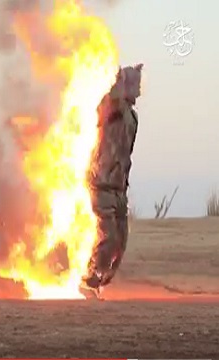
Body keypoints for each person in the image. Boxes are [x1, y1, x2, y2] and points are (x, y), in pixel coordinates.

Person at [81, 63, 144, 299]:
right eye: (135, 83)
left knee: (121, 242)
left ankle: (98, 280)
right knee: (109, 237)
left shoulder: (133, 118)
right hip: (102, 185)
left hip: (119, 188)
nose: (139, 89)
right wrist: (117, 78)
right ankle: (89, 279)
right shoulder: (113, 108)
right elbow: (108, 105)